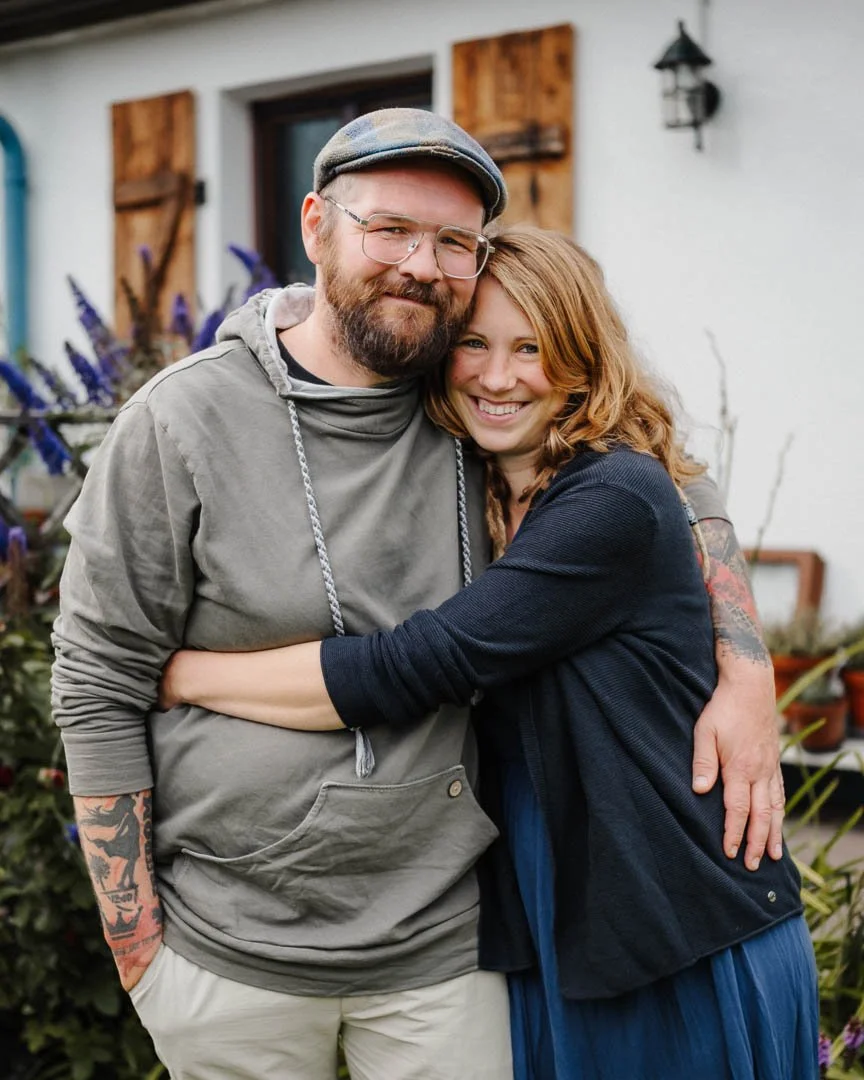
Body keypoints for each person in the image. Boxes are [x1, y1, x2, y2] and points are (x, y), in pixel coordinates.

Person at [52, 108, 784, 1080]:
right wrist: (137, 946)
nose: (420, 264)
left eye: (452, 243)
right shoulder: (187, 417)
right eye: (388, 228)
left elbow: (659, 471)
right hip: (232, 957)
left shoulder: (471, 396)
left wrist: (746, 664)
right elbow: (97, 678)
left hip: (451, 950)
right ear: (316, 227)